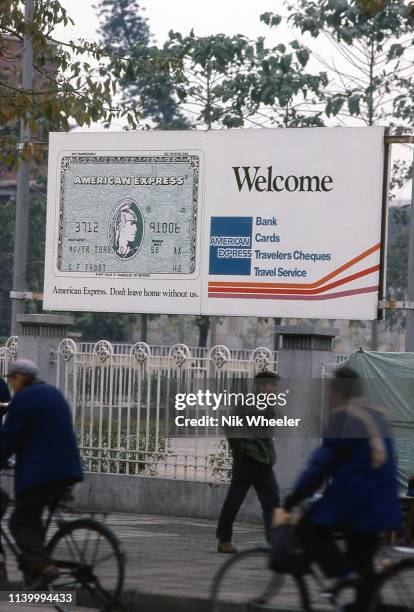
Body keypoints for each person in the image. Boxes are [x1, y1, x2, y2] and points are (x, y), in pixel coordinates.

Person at [281, 366, 401, 609]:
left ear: (337, 393)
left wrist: (294, 497)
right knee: (361, 565)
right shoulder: (375, 414)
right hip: (383, 503)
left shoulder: (345, 418)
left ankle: (340, 575)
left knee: (308, 526)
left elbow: (320, 466)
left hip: (358, 502)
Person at [0, 359, 83, 588]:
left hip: (43, 473)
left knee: (19, 523)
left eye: (12, 379)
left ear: (20, 378)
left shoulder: (25, 398)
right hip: (68, 469)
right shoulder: (52, 392)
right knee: (32, 519)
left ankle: (45, 568)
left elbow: (10, 437)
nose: (11, 384)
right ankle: (35, 568)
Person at [216, 371, 280, 553]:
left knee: (272, 500)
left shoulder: (268, 405)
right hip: (248, 461)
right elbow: (229, 425)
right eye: (270, 385)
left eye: (275, 386)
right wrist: (240, 451)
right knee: (235, 500)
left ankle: (274, 541)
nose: (274, 389)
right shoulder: (249, 403)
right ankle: (224, 539)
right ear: (260, 386)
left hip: (264, 460)